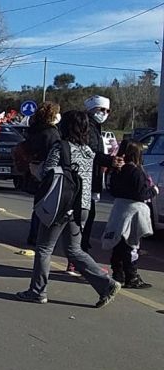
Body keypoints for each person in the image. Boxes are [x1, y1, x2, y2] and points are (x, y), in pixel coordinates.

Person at [16, 110, 121, 308]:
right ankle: (106, 284)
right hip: (83, 205)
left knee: (44, 248)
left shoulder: (61, 147)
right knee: (74, 250)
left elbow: (47, 173)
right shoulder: (87, 150)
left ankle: (37, 291)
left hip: (61, 204)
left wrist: (34, 169)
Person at [103, 140, 157, 289]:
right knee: (132, 244)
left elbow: (111, 189)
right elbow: (141, 194)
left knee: (118, 243)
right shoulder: (136, 171)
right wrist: (153, 191)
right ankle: (131, 276)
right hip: (134, 212)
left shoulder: (116, 170)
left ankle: (118, 273)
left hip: (119, 209)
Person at [79, 95, 119, 252]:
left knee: (88, 215)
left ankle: (81, 249)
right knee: (85, 216)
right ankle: (79, 252)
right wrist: (109, 161)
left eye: (108, 110)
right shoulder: (88, 128)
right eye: (102, 110)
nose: (105, 113)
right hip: (86, 178)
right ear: (92, 110)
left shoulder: (95, 128)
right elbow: (91, 153)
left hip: (93, 177)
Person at [21, 102, 62, 245]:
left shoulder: (34, 130)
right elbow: (54, 152)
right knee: (46, 206)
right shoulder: (51, 132)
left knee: (38, 205)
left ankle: (33, 235)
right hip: (46, 170)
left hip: (34, 168)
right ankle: (39, 237)